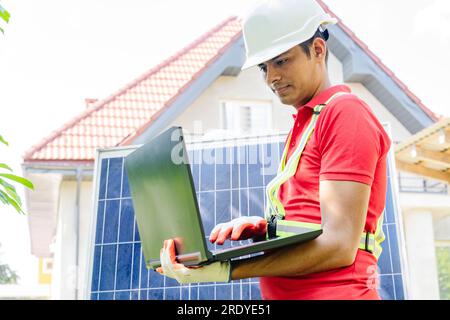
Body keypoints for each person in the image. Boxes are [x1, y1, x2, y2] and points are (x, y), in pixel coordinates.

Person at [156, 0, 391, 300]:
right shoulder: (306, 123)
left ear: (318, 50)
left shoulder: (345, 113)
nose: (271, 78)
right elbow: (311, 219)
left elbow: (339, 244)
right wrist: (266, 229)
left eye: (281, 61)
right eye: (264, 68)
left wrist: (226, 269)